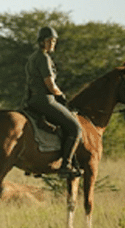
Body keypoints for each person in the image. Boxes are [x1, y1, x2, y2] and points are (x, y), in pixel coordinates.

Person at [23, 27, 82, 178]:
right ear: (42, 42)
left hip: (31, 100)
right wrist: (60, 95)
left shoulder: (32, 57)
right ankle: (66, 165)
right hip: (45, 100)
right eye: (49, 40)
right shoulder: (44, 58)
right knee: (75, 128)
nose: (52, 43)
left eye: (54, 40)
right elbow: (49, 83)